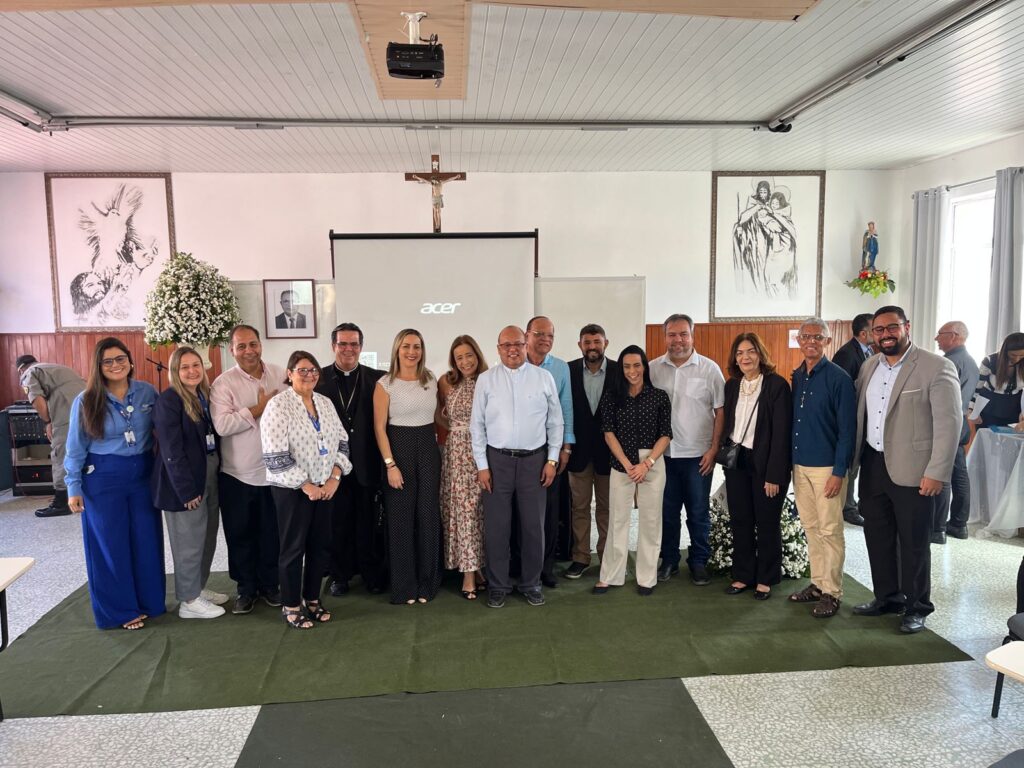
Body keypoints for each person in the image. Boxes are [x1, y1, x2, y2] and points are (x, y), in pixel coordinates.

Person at [850, 306, 961, 634]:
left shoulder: (936, 367)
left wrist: (937, 472)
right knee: (878, 536)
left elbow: (949, 425)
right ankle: (887, 597)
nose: (885, 334)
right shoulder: (869, 366)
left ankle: (917, 606)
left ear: (906, 327)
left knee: (913, 542)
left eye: (891, 328)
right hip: (873, 464)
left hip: (915, 471)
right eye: (878, 329)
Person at [64, 337, 165, 630]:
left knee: (146, 539)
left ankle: (149, 602)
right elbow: (75, 448)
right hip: (103, 478)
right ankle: (119, 611)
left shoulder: (147, 392)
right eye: (108, 361)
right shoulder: (86, 400)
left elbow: (164, 432)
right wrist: (73, 487)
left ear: (130, 361)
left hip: (143, 475)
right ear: (99, 366)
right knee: (110, 544)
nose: (116, 365)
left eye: (121, 359)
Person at [470, 326, 563, 608]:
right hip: (496, 461)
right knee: (498, 527)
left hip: (535, 461)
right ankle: (498, 585)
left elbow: (555, 422)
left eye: (518, 344)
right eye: (506, 345)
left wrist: (552, 459)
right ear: (498, 348)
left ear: (526, 345)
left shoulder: (543, 378)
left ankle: (531, 583)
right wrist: (482, 466)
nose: (513, 349)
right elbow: (477, 426)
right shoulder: (486, 380)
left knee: (534, 527)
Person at [261, 351, 351, 629]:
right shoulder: (278, 406)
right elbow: (274, 454)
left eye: (313, 370)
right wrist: (306, 484)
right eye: (302, 370)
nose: (309, 375)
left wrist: (335, 477)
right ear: (289, 374)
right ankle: (291, 605)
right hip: (292, 490)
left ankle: (312, 598)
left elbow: (342, 442)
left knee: (320, 547)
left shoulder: (324, 403)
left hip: (326, 488)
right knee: (292, 549)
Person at [210, 325, 283, 615]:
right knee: (240, 534)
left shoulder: (280, 374)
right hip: (237, 475)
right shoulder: (223, 384)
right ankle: (245, 589)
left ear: (260, 344)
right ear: (232, 350)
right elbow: (222, 425)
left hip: (275, 473)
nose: (248, 350)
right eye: (241, 346)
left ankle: (271, 585)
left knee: (271, 533)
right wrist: (258, 407)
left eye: (252, 344)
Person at [788, 319, 856, 618]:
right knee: (811, 528)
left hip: (827, 468)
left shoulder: (839, 379)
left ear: (827, 342)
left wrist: (839, 472)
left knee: (830, 531)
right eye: (805, 337)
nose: (811, 342)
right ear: (799, 341)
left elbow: (847, 430)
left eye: (817, 337)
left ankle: (832, 592)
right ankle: (817, 584)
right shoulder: (798, 375)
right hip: (800, 465)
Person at [152, 347, 227, 619]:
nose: (192, 371)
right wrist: (186, 490)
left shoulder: (203, 396)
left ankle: (198, 587)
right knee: (189, 542)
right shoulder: (169, 401)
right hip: (183, 483)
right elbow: (171, 450)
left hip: (208, 473)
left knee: (207, 537)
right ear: (175, 371)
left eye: (196, 365)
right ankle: (188, 600)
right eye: (185, 367)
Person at [651, 314, 725, 586]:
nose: (678, 340)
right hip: (664, 457)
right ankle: (669, 559)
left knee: (698, 512)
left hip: (698, 456)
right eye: (672, 334)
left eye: (683, 334)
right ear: (665, 337)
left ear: (693, 336)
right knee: (667, 513)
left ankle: (698, 561)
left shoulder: (709, 369)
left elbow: (720, 410)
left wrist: (714, 449)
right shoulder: (653, 369)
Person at [315, 322, 388, 596]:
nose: (348, 349)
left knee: (368, 522)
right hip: (331, 467)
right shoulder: (318, 379)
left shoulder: (378, 379)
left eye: (354, 344)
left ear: (361, 346)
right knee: (336, 523)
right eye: (342, 344)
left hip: (367, 464)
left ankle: (371, 574)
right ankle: (339, 576)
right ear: (333, 346)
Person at [593, 346, 671, 597]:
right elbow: (608, 433)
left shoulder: (659, 396)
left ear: (645, 367)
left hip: (652, 463)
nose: (632, 371)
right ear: (621, 369)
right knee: (617, 519)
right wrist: (628, 465)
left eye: (637, 365)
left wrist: (646, 464)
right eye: (626, 366)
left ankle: (646, 578)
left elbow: (666, 434)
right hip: (621, 465)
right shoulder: (611, 397)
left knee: (650, 520)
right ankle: (610, 575)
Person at [373, 329, 442, 605]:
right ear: (396, 350)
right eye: (406, 347)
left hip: (427, 447)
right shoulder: (384, 384)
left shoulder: (430, 380)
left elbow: (436, 417)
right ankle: (404, 588)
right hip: (397, 450)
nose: (412, 352)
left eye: (417, 346)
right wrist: (390, 465)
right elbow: (379, 428)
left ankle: (428, 584)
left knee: (428, 516)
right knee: (400, 521)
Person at [720, 333, 792, 601]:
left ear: (760, 354)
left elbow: (782, 434)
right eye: (739, 353)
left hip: (767, 465)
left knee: (767, 522)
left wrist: (775, 475)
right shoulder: (732, 385)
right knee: (740, 520)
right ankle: (742, 575)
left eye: (750, 351)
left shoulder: (776, 386)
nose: (745, 357)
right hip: (738, 463)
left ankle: (766, 578)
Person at [565, 324, 619, 579]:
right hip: (578, 453)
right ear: (580, 345)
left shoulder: (620, 371)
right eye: (587, 342)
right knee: (580, 508)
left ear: (606, 343)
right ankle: (580, 557)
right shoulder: (569, 370)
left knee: (608, 509)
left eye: (597, 342)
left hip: (610, 454)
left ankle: (607, 556)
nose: (592, 347)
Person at [524, 316, 575, 587]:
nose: (545, 339)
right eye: (539, 334)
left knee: (549, 512)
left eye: (550, 336)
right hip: (518, 450)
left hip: (550, 449)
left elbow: (565, 409)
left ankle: (545, 568)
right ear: (527, 335)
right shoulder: (513, 363)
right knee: (520, 512)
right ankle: (521, 567)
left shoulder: (560, 368)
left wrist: (565, 448)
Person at [437, 335, 489, 599]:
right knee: (459, 511)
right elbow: (438, 413)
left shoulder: (488, 380)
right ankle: (469, 572)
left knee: (477, 512)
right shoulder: (446, 381)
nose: (465, 361)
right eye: (459, 357)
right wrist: (455, 431)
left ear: (477, 355)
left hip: (481, 454)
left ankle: (475, 569)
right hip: (455, 454)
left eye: (469, 355)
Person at [15, 354, 85, 517]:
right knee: (84, 453)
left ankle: (61, 503)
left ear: (21, 369)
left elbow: (37, 400)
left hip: (65, 415)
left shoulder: (29, 373)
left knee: (61, 455)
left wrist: (48, 422)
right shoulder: (60, 367)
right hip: (88, 411)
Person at [934, 321, 979, 542]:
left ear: (954, 336)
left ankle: (937, 527)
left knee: (940, 474)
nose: (936, 339)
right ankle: (959, 523)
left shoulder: (948, 363)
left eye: (940, 334)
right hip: (960, 422)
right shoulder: (970, 362)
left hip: (946, 424)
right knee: (959, 474)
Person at [832, 313, 875, 526]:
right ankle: (847, 506)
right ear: (864, 333)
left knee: (858, 464)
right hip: (852, 417)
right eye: (875, 329)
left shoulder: (871, 351)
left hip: (866, 416)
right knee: (850, 464)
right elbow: (841, 390)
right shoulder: (847, 354)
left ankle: (854, 502)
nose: (878, 334)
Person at [970, 332, 1024, 429]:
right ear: (1005, 350)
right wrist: (972, 409)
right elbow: (976, 387)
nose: (1017, 359)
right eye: (1013, 355)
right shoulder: (990, 361)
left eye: (1021, 355)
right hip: (989, 407)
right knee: (988, 438)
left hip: (1015, 407)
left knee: (1010, 439)